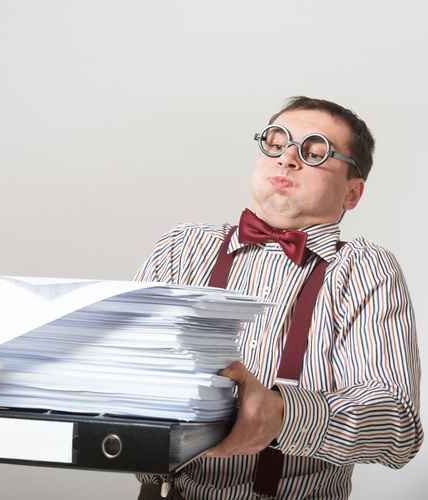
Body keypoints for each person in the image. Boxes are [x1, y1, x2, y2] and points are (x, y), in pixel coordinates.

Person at [134, 96, 423, 499]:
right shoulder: (180, 247)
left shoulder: (365, 270)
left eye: (315, 152)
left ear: (352, 194)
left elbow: (397, 427)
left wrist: (282, 415)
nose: (287, 158)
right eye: (276, 143)